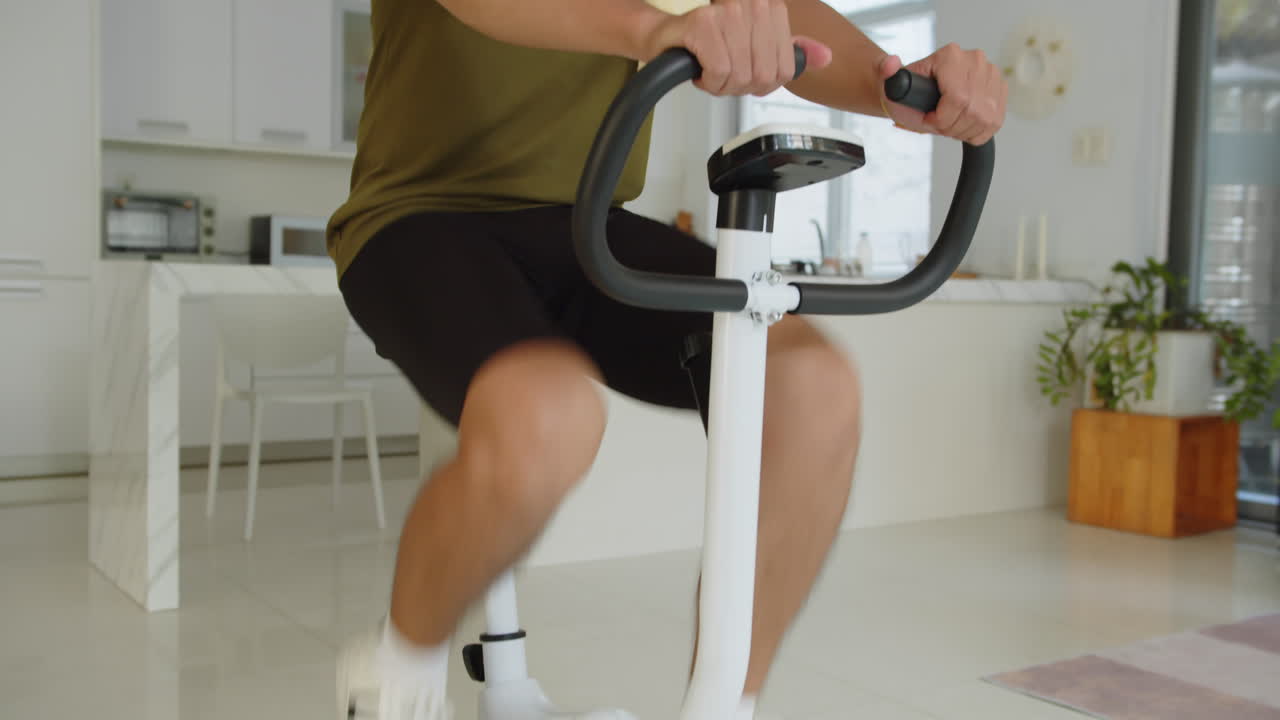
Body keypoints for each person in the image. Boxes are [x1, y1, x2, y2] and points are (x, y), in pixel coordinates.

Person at [329, 0, 1006, 718]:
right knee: (546, 419)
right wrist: (653, 29)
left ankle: (722, 708)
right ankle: (398, 663)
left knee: (813, 386)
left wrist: (898, 82)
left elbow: (780, 13)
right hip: (417, 217)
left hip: (587, 221)